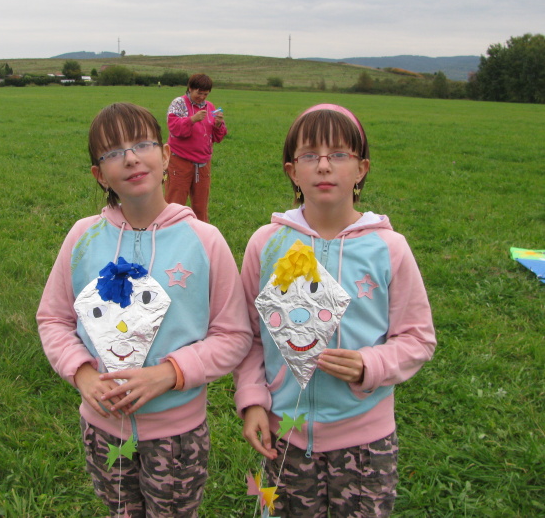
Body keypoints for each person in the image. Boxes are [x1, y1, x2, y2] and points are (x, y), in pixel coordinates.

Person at [36, 102, 251, 517]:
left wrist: (169, 374)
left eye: (142, 145)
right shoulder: (82, 238)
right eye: (113, 152)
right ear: (100, 175)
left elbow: (234, 334)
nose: (131, 158)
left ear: (166, 155)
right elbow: (53, 318)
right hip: (101, 428)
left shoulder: (205, 240)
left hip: (177, 434)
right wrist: (83, 375)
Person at [233, 104, 436, 517]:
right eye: (310, 155)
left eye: (338, 154)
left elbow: (418, 338)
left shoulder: (388, 248)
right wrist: (252, 400)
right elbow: (250, 335)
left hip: (366, 440)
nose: (324, 165)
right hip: (283, 435)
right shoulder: (266, 245)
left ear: (361, 169)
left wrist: (370, 365)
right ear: (292, 171)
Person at [164, 73, 227, 223]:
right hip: (180, 162)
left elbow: (217, 137)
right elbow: (174, 129)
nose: (202, 97)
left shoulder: (210, 107)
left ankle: (201, 233)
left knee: (201, 206)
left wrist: (218, 124)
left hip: (203, 164)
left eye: (205, 94)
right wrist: (192, 119)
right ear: (190, 88)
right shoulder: (179, 104)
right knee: (175, 203)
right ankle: (169, 230)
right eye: (199, 93)